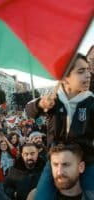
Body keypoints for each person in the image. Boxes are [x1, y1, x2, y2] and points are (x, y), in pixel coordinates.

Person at [26, 53, 94, 200]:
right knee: (41, 197)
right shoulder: (53, 98)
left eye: (88, 70)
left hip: (86, 161)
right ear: (64, 78)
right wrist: (40, 104)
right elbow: (29, 110)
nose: (88, 75)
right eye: (81, 71)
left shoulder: (90, 101)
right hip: (56, 163)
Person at [27, 143, 94, 200]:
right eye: (55, 165)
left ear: (81, 167)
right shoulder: (33, 196)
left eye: (66, 164)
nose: (59, 172)